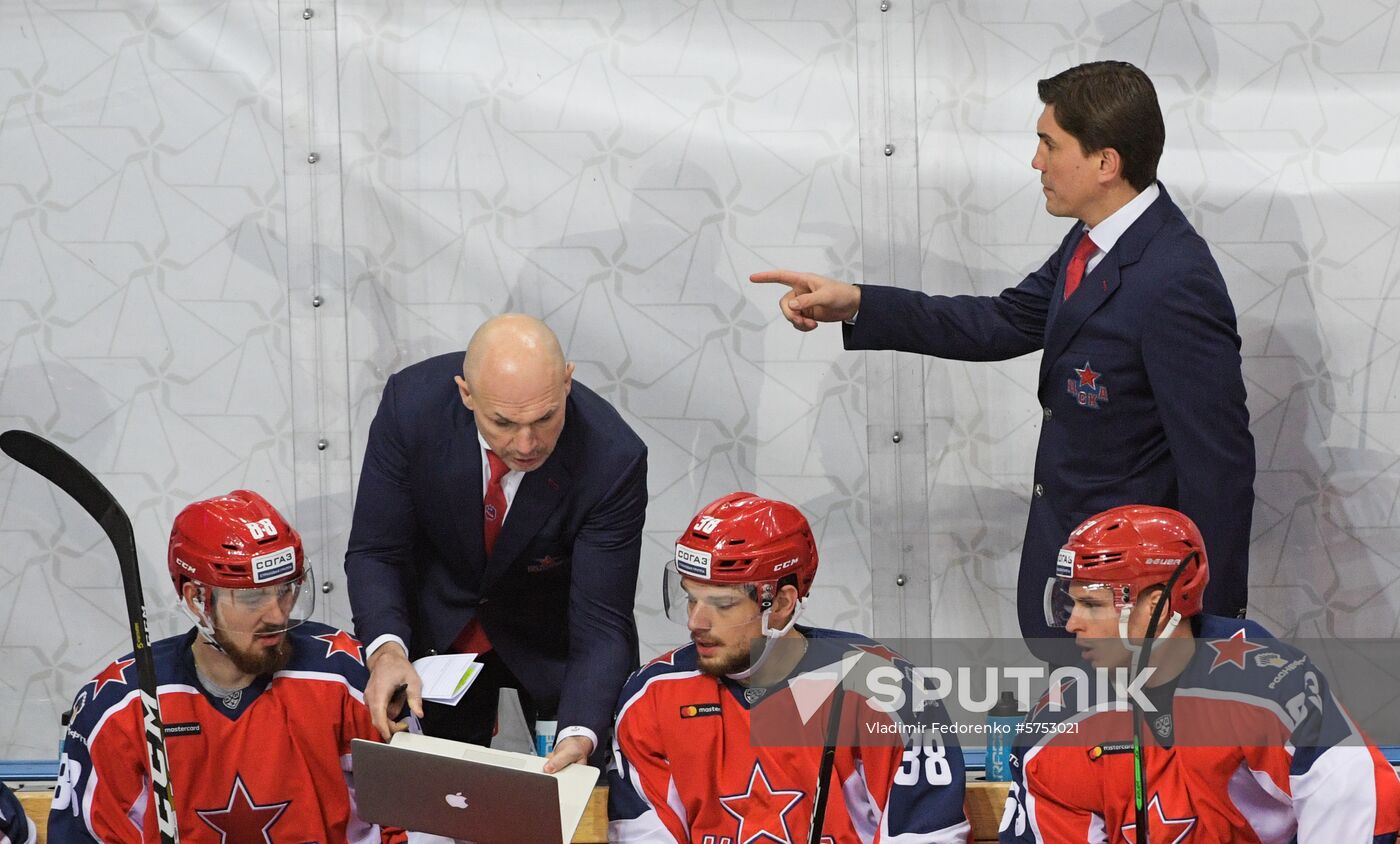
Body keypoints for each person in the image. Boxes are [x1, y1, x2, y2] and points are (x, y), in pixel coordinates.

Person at [751, 60, 1254, 645]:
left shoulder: (1174, 279)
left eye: (1048, 143)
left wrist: (1210, 625)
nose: (1036, 161)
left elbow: (1218, 466)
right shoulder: (1092, 241)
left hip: (1137, 607)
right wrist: (858, 303)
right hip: (1078, 580)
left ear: (1105, 163)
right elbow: (1001, 321)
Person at [345, 314, 647, 770]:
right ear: (466, 394)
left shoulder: (612, 458)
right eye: (503, 422)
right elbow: (377, 551)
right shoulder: (411, 409)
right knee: (437, 810)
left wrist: (581, 732)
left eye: (545, 418)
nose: (527, 443)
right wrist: (387, 651)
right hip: (436, 640)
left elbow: (602, 620)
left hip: (553, 641)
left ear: (567, 382)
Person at [999, 504, 1400, 842]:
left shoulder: (1270, 685)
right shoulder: (1059, 726)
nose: (1072, 624)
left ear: (1155, 606)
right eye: (1071, 604)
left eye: (1092, 604)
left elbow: (1356, 794)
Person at [609, 492, 972, 843]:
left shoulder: (888, 690)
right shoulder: (651, 697)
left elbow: (927, 836)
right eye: (691, 599)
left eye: (722, 604)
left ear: (781, 603)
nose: (696, 622)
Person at [49, 490, 404, 843]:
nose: (278, 615)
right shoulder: (118, 707)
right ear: (197, 599)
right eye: (252, 597)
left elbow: (415, 826)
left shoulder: (351, 679)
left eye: (286, 589)